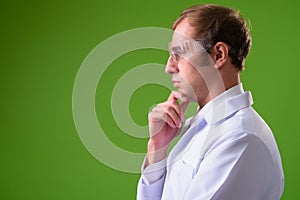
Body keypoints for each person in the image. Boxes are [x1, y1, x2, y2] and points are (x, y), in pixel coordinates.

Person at [136, 4, 284, 200]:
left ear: (218, 55)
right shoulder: (203, 128)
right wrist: (157, 147)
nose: (169, 67)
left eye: (178, 54)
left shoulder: (240, 138)